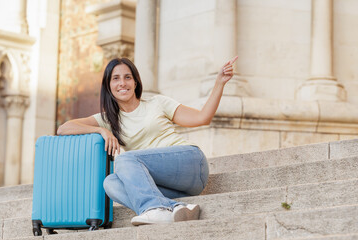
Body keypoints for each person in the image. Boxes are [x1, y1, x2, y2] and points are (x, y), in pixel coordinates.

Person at [57, 56, 238, 226]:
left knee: (125, 159)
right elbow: (64, 128)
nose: (122, 83)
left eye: (127, 77)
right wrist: (101, 130)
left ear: (135, 82)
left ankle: (153, 208)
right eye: (116, 78)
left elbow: (202, 118)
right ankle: (175, 208)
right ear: (108, 85)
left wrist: (219, 83)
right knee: (110, 183)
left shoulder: (157, 103)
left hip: (191, 164)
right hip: (171, 187)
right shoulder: (107, 119)